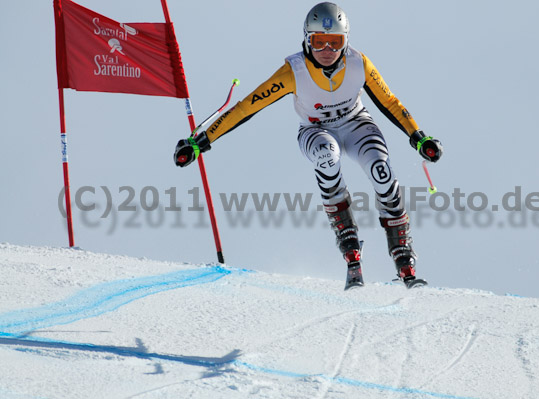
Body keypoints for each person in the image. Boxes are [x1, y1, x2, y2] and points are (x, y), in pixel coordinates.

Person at [174, 2, 443, 289]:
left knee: (381, 170)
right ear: (306, 39)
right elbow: (246, 107)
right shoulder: (294, 71)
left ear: (346, 41)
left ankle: (402, 252)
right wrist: (201, 142)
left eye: (335, 42)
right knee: (327, 157)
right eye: (318, 41)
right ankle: (348, 239)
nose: (327, 49)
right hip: (315, 130)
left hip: (356, 124)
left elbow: (389, 101)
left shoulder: (358, 63)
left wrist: (418, 137)